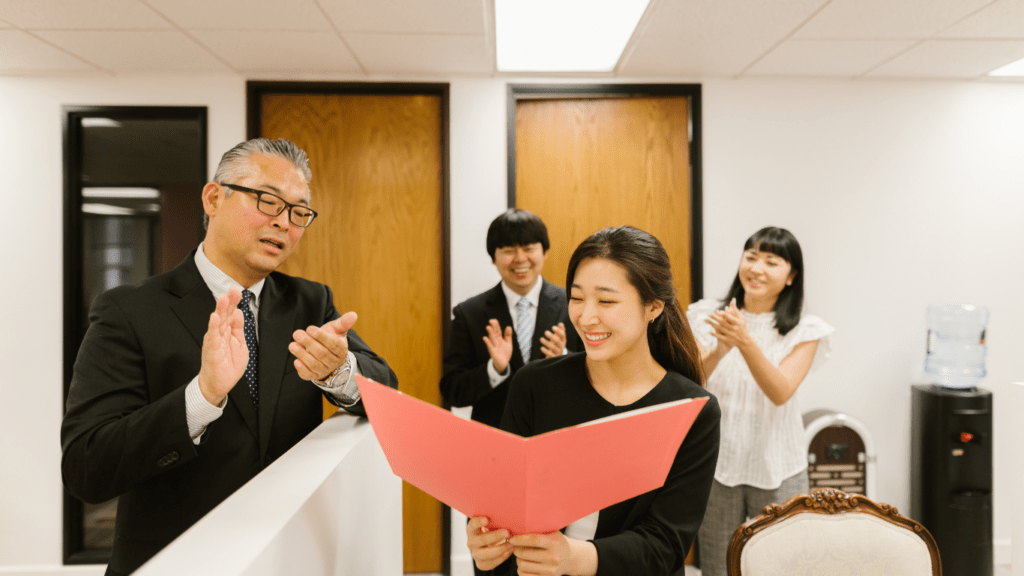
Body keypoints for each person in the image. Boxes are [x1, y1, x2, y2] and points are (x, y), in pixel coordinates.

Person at [60, 138, 398, 575]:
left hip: (286, 556)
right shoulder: (128, 310)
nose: (285, 224)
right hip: (176, 560)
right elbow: (88, 467)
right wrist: (201, 397)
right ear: (214, 198)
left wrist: (339, 373)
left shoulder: (310, 303)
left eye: (299, 212)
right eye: (267, 201)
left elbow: (385, 389)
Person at [467, 226, 721, 576]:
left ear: (654, 306)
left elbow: (665, 546)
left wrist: (573, 558)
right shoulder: (535, 384)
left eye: (606, 301)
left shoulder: (692, 410)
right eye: (577, 297)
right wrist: (485, 542)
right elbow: (503, 499)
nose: (586, 318)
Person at [688, 226, 834, 576]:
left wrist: (744, 341)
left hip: (779, 464)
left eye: (771, 262)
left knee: (780, 565)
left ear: (790, 276)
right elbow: (690, 384)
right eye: (751, 257)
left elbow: (780, 391)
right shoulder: (704, 314)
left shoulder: (806, 329)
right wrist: (720, 350)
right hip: (717, 463)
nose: (756, 268)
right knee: (719, 564)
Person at [440, 208, 582, 429]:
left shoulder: (575, 304)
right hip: (496, 441)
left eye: (528, 248)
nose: (520, 259)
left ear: (544, 252)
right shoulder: (469, 314)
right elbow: (452, 391)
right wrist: (493, 369)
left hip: (558, 432)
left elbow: (600, 373)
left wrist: (564, 357)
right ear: (493, 258)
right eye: (508, 250)